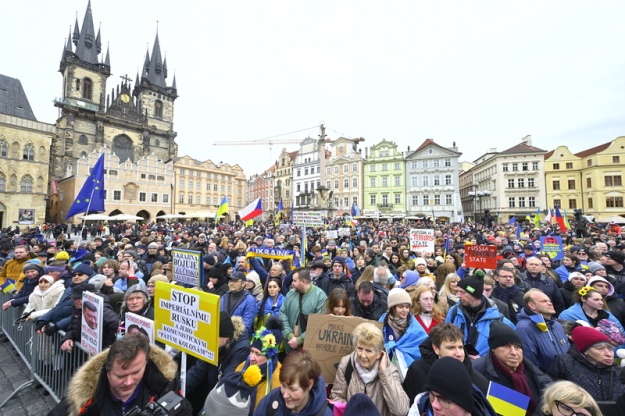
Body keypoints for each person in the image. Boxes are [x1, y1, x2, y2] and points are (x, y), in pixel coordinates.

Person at [50, 333, 189, 416]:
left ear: (146, 364)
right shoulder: (78, 404)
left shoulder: (165, 386)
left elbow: (186, 410)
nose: (128, 382)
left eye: (135, 372)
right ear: (107, 370)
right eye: (120, 376)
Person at [473, 322, 552, 416]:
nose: (514, 352)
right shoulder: (477, 370)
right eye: (506, 346)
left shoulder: (531, 369)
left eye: (517, 347)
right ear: (493, 349)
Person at [331, 322, 409, 416]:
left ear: (379, 354)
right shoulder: (346, 363)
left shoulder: (390, 371)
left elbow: (401, 411)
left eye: (368, 351)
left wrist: (384, 373)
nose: (362, 355)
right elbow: (336, 396)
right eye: (360, 348)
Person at [403, 323, 490, 407]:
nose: (459, 353)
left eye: (460, 347)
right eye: (451, 348)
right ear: (436, 348)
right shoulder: (417, 370)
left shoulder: (479, 380)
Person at [186, 312, 250, 415]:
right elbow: (198, 370)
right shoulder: (216, 343)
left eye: (216, 337)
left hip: (223, 398)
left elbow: (225, 382)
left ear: (226, 337)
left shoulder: (242, 349)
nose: (211, 340)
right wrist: (179, 389)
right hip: (210, 386)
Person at [548, 325, 625, 402]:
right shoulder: (566, 363)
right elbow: (552, 394)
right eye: (600, 349)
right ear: (585, 351)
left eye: (610, 349)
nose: (609, 354)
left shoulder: (618, 371)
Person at [445, 273, 515, 357]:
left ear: (474, 294)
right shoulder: (454, 312)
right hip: (457, 364)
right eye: (457, 291)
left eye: (462, 292)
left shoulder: (498, 319)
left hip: (483, 368)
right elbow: (445, 338)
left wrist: (483, 360)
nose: (458, 295)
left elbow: (511, 348)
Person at [253, 350, 333, 416]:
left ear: (309, 385)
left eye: (292, 389)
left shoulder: (324, 414)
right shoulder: (272, 399)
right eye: (283, 385)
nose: (285, 395)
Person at [408, 356, 497, 416]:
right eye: (432, 395)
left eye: (444, 399)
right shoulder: (420, 407)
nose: (434, 405)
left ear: (464, 405)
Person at [380, 288, 428, 380]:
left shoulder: (413, 324)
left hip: (408, 371)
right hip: (385, 368)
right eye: (401, 307)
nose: (405, 310)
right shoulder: (383, 321)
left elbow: (423, 345)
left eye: (407, 306)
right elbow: (377, 341)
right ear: (393, 308)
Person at [515, 289, 570, 372]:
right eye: (544, 301)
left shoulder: (557, 325)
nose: (550, 303)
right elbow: (530, 364)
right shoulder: (524, 328)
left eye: (549, 300)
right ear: (532, 305)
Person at [279, 268, 327, 352]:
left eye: (294, 281)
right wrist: (289, 335)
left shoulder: (320, 296)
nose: (292, 283)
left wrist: (300, 340)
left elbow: (320, 323)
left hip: (309, 349)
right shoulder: (290, 294)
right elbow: (283, 314)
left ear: (303, 282)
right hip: (290, 346)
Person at [559, 286, 625, 331]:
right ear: (583, 299)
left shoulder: (607, 314)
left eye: (601, 300)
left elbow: (621, 332)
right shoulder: (567, 315)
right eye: (596, 300)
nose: (601, 303)